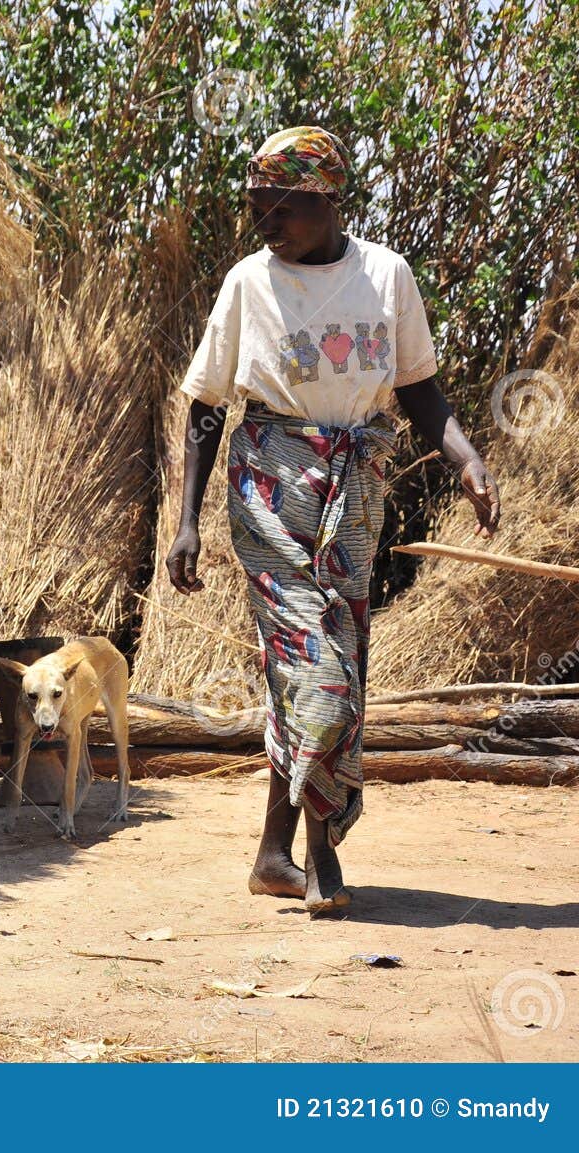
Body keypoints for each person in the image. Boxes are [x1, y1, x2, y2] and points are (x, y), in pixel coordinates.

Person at [163, 126, 500, 915]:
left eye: (280, 209)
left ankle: (272, 852)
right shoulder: (250, 282)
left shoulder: (386, 276)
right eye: (257, 210)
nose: (266, 226)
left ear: (326, 200)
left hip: (355, 485)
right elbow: (206, 406)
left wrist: (466, 457)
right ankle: (321, 857)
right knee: (316, 667)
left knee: (330, 661)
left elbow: (419, 390)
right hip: (268, 482)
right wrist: (185, 521)